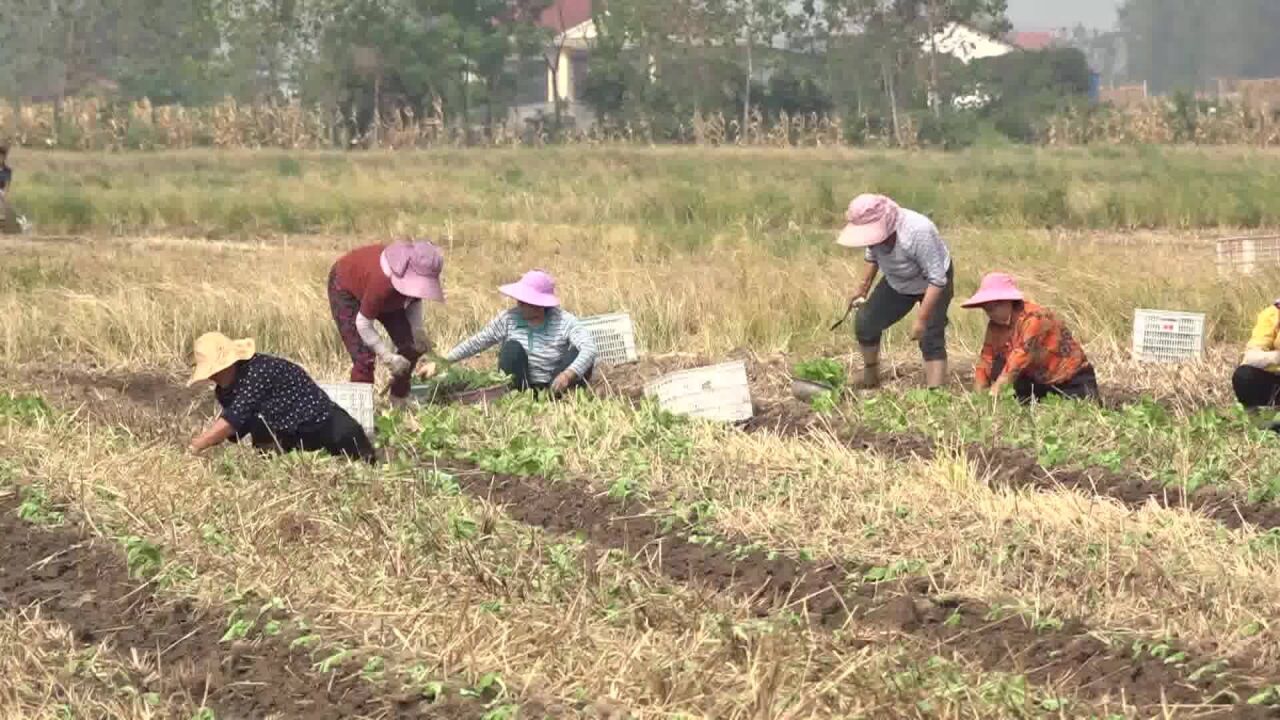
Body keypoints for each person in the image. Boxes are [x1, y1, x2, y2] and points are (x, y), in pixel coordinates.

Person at [186, 332, 374, 462]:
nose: (212, 377)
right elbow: (235, 432)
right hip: (296, 443)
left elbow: (231, 421)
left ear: (231, 363)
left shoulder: (258, 371)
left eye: (216, 371)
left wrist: (196, 446)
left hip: (331, 431)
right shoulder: (226, 390)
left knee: (363, 474)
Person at [840, 193, 955, 389]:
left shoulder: (918, 231)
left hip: (933, 282)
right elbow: (872, 257)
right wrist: (862, 289)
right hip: (898, 282)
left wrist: (921, 319)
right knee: (866, 322)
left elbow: (937, 279)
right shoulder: (874, 238)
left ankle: (936, 394)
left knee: (930, 335)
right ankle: (871, 374)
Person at [444, 270, 597, 394]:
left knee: (580, 354)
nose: (518, 304)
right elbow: (478, 342)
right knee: (511, 348)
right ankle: (517, 396)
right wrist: (443, 362)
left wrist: (567, 375)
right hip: (522, 385)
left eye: (524, 302)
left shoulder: (564, 321)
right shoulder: (508, 319)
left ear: (538, 305)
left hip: (555, 382)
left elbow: (589, 348)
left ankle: (559, 396)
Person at [329, 240, 445, 404]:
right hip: (345, 289)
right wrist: (387, 356)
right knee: (364, 358)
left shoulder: (414, 275)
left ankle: (399, 399)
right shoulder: (381, 283)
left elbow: (414, 300)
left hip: (388, 296)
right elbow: (363, 324)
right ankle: (362, 413)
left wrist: (418, 331)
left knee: (410, 346)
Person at [963, 273, 1098, 403]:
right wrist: (978, 398)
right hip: (1034, 380)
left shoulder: (1035, 319)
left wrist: (993, 395)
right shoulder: (995, 326)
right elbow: (986, 360)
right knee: (998, 366)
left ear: (1007, 302)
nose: (990, 313)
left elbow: (1017, 362)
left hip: (1070, 380)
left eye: (993, 307)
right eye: (987, 309)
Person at [1232, 299, 1280, 409]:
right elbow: (1251, 358)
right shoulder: (1272, 314)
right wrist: (1277, 357)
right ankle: (1260, 418)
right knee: (1244, 375)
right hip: (1275, 379)